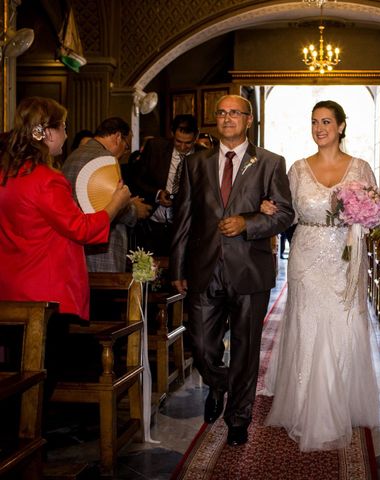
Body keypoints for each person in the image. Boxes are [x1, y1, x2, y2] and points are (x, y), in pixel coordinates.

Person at [169, 95, 294, 447]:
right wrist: (178, 266)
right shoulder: (195, 162)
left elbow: (284, 214)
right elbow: (183, 219)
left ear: (248, 120)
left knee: (246, 347)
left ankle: (239, 417)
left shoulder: (270, 162)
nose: (227, 118)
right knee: (202, 345)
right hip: (203, 267)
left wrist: (248, 222)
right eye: (221, 113)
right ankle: (219, 382)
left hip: (249, 269)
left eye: (235, 113)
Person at [263, 100, 380, 452]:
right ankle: (303, 403)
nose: (319, 128)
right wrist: (270, 209)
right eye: (314, 122)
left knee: (343, 323)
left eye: (326, 121)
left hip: (344, 257)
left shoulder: (360, 168)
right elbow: (286, 213)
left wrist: (363, 218)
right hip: (307, 254)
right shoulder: (298, 169)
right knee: (308, 323)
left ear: (341, 127)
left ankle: (338, 400)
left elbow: (373, 214)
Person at [0, 97, 131, 399]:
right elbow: (81, 229)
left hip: (11, 289)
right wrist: (116, 204)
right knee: (42, 377)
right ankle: (33, 439)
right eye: (63, 127)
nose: (66, 134)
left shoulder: (7, 173)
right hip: (46, 293)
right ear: (46, 133)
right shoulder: (47, 180)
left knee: (14, 373)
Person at [63, 117, 151, 272]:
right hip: (102, 250)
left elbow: (95, 198)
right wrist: (135, 210)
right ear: (118, 137)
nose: (124, 153)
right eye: (126, 147)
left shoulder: (72, 157)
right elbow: (113, 206)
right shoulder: (105, 159)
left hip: (75, 248)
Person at [133, 114, 206, 256]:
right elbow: (137, 179)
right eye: (178, 141)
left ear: (196, 137)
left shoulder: (204, 156)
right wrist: (157, 194)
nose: (183, 147)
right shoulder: (155, 147)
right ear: (172, 134)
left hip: (187, 229)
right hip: (153, 226)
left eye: (188, 143)